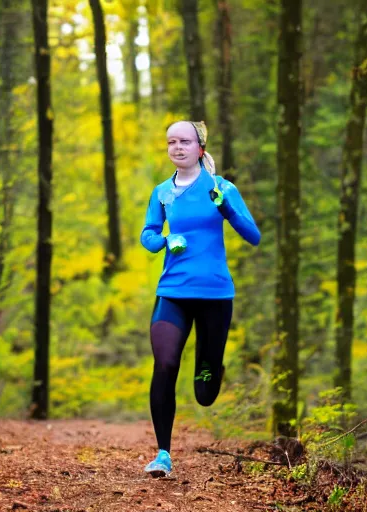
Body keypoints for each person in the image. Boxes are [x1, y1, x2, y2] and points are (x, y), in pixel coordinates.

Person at [140, 120, 261, 476]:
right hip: (173, 291)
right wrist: (163, 241)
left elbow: (252, 235)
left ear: (200, 148)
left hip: (214, 294)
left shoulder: (221, 188)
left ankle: (212, 366)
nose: (177, 147)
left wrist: (226, 208)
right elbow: (147, 234)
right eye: (171, 142)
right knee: (164, 364)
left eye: (185, 142)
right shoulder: (162, 192)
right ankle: (163, 454)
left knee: (204, 393)